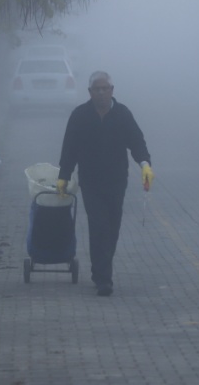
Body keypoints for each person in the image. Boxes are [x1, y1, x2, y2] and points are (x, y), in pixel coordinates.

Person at [56, 71, 154, 296]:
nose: (101, 92)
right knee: (98, 225)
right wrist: (64, 175)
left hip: (117, 181)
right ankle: (103, 278)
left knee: (112, 228)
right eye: (96, 89)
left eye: (105, 88)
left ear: (112, 90)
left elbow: (137, 142)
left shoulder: (122, 114)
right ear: (90, 92)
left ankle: (102, 269)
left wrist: (145, 164)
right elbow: (69, 148)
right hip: (90, 182)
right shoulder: (80, 116)